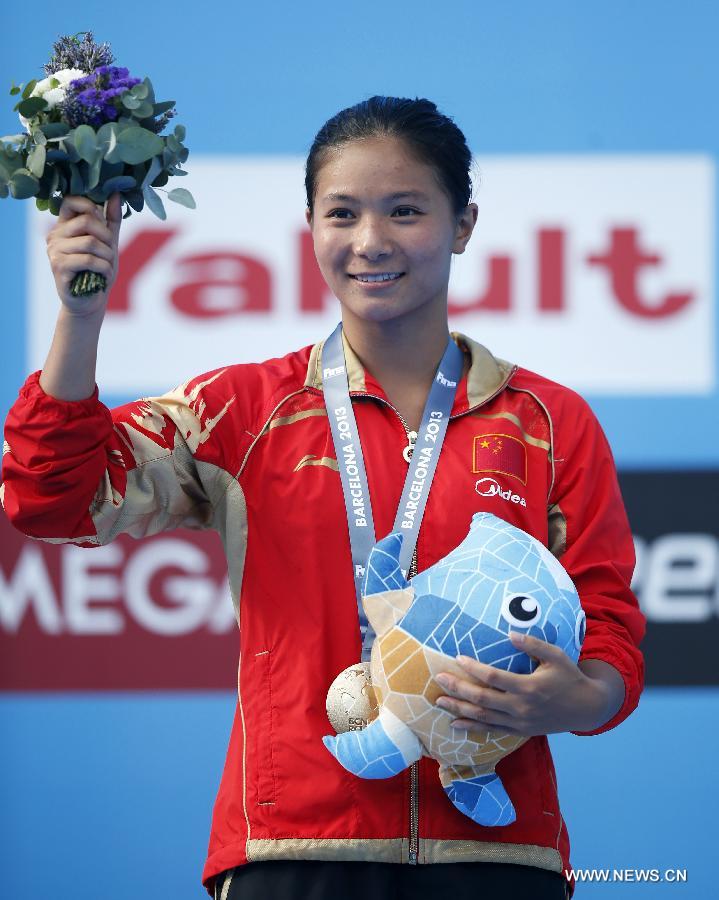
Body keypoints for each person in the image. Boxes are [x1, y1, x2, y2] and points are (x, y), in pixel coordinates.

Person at [1, 96, 645, 900]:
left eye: (405, 211)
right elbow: (55, 499)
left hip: (497, 854)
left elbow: (607, 620)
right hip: (288, 848)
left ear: (464, 223)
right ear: (310, 227)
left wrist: (580, 699)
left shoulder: (547, 420)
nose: (370, 242)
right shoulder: (241, 409)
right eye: (342, 213)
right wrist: (81, 316)